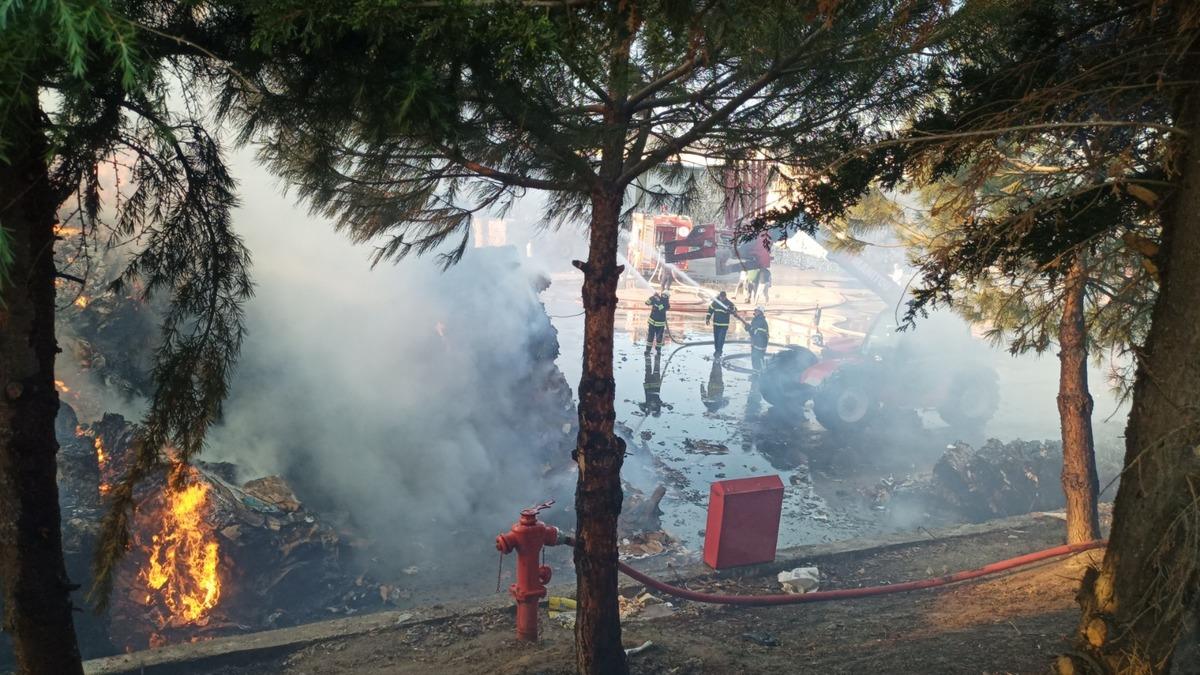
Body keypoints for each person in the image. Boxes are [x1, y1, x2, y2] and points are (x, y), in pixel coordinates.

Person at [705, 291, 737, 356]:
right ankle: (717, 350)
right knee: (716, 338)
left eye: (723, 297)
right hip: (716, 324)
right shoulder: (716, 302)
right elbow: (710, 310)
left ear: (725, 297)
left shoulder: (728, 303)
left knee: (721, 339)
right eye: (721, 297)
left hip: (724, 325)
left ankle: (719, 351)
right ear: (719, 296)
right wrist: (707, 318)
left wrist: (731, 309)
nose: (722, 298)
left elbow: (735, 309)